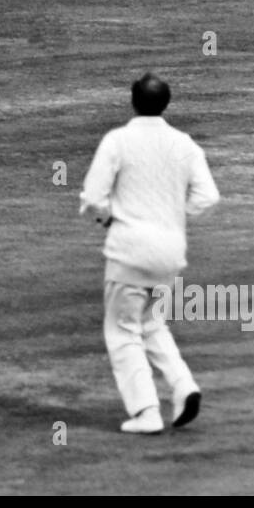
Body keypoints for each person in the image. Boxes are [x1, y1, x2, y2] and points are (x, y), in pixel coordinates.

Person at [79, 73, 220, 434]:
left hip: (129, 252)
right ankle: (183, 384)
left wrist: (107, 218)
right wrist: (173, 216)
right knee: (152, 323)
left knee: (122, 329)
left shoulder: (118, 141)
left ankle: (145, 411)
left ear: (133, 101)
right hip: (169, 252)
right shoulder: (184, 143)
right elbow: (208, 197)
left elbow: (94, 198)